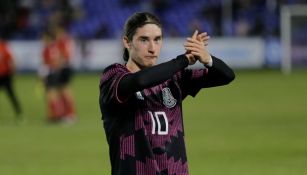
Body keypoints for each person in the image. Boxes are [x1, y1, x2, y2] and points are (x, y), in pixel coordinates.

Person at [99, 12, 235, 175]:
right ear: (127, 42)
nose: (152, 48)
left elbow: (227, 76)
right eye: (144, 40)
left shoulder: (173, 79)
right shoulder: (113, 76)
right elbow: (139, 81)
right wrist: (183, 60)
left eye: (157, 39)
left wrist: (208, 59)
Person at [39, 28, 75, 124]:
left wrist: (47, 73)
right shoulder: (58, 44)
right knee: (59, 92)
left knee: (55, 93)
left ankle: (59, 115)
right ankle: (63, 114)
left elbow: (52, 61)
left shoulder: (51, 47)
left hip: (54, 72)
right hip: (59, 70)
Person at [0, 37, 22, 121]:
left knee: (12, 95)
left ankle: (19, 113)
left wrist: (15, 71)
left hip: (5, 76)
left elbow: (11, 60)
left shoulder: (4, 47)